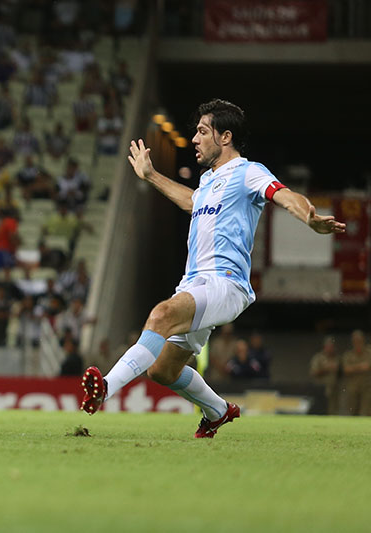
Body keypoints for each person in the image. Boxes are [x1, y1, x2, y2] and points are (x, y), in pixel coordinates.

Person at [80, 99, 346, 438]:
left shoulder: (248, 172)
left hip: (225, 283)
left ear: (225, 137)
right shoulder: (208, 182)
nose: (194, 139)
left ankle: (104, 388)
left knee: (160, 315)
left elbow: (284, 194)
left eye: (203, 132)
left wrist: (308, 216)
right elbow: (193, 203)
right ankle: (218, 411)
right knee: (162, 370)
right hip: (194, 284)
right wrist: (151, 176)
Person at [341, 330, 371, 416]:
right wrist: (360, 366)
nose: (358, 343)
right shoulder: (348, 355)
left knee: (366, 411)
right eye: (355, 341)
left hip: (367, 387)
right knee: (352, 410)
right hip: (352, 387)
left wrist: (354, 368)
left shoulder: (369, 353)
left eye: (359, 340)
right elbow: (346, 369)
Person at [310, 335, 341, 415]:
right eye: (328, 346)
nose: (330, 348)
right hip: (321, 389)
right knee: (321, 409)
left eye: (332, 346)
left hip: (334, 389)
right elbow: (313, 372)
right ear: (325, 347)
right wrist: (325, 369)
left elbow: (342, 371)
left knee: (333, 410)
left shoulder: (337, 358)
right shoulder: (318, 358)